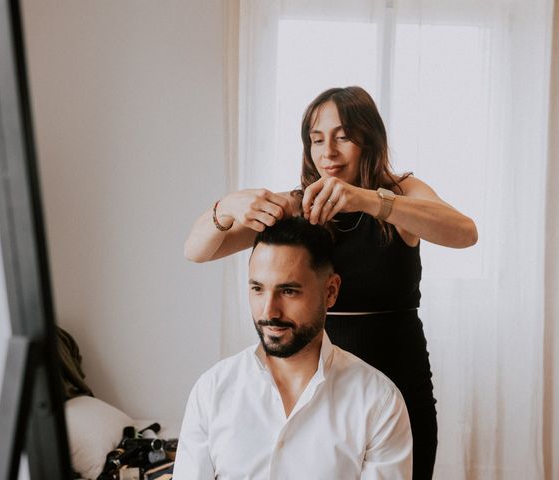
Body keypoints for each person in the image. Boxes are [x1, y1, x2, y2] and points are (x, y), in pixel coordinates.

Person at [183, 86, 478, 479]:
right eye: (317, 139)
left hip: (398, 371)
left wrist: (370, 200)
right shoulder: (300, 203)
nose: (328, 152)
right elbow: (197, 250)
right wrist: (225, 207)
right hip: (322, 381)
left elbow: (464, 232)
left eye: (343, 136)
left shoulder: (402, 193)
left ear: (369, 139)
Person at [174, 217, 413, 479]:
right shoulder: (212, 390)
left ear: (331, 292)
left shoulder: (379, 402)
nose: (269, 311)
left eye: (288, 291)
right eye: (257, 288)